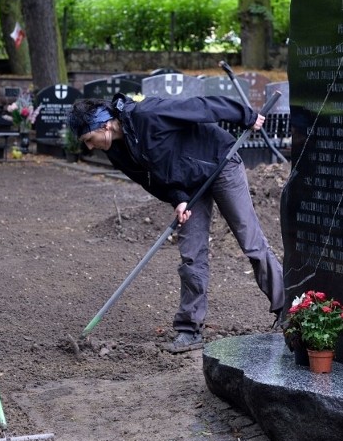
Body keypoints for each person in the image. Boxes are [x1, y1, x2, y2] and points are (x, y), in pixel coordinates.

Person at [67, 94, 285, 353]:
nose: (90, 147)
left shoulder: (148, 114)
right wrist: (177, 199)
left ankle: (287, 310)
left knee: (250, 242)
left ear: (103, 125)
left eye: (88, 140)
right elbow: (151, 179)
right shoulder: (116, 151)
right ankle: (189, 329)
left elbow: (201, 107)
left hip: (219, 163)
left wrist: (245, 116)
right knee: (191, 254)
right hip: (190, 186)